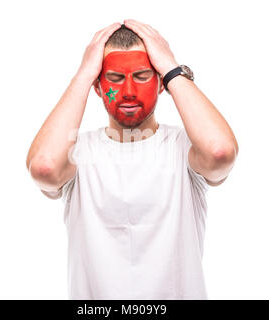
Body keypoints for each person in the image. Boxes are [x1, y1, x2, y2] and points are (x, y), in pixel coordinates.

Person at [26, 19, 239, 299]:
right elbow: (44, 167)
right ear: (98, 86)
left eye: (141, 76)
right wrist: (83, 75)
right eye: (113, 78)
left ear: (162, 83)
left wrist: (170, 67)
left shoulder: (184, 148)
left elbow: (219, 152)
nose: (127, 91)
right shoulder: (77, 153)